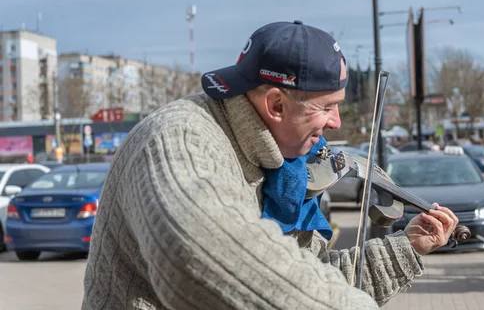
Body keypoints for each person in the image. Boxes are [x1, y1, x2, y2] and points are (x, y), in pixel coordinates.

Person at [82, 20, 459, 310]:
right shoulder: (180, 138)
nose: (337, 123)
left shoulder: (279, 163)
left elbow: (306, 280)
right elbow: (202, 261)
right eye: (327, 107)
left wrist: (404, 247)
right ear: (276, 105)